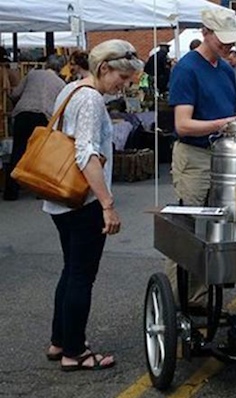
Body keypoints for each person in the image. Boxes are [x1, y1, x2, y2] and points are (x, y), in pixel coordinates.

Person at [44, 39, 143, 371]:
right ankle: (75, 351)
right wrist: (107, 204)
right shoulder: (90, 100)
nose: (124, 86)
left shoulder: (71, 90)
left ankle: (61, 340)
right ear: (105, 69)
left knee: (71, 270)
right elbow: (85, 154)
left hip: (60, 195)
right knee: (81, 276)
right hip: (82, 200)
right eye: (122, 78)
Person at [167, 9, 236, 307]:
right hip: (195, 156)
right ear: (205, 33)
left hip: (222, 156)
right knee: (188, 230)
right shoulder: (186, 69)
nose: (228, 47)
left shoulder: (224, 69)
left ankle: (200, 295)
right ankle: (175, 301)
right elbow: (182, 124)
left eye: (230, 42)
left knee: (218, 227)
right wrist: (222, 124)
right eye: (223, 41)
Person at [3, 57, 66, 201]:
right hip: (43, 117)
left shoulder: (33, 74)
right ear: (61, 67)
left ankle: (11, 191)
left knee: (18, 151)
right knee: (40, 155)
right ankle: (39, 191)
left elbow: (16, 93)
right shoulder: (61, 84)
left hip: (23, 114)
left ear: (47, 64)